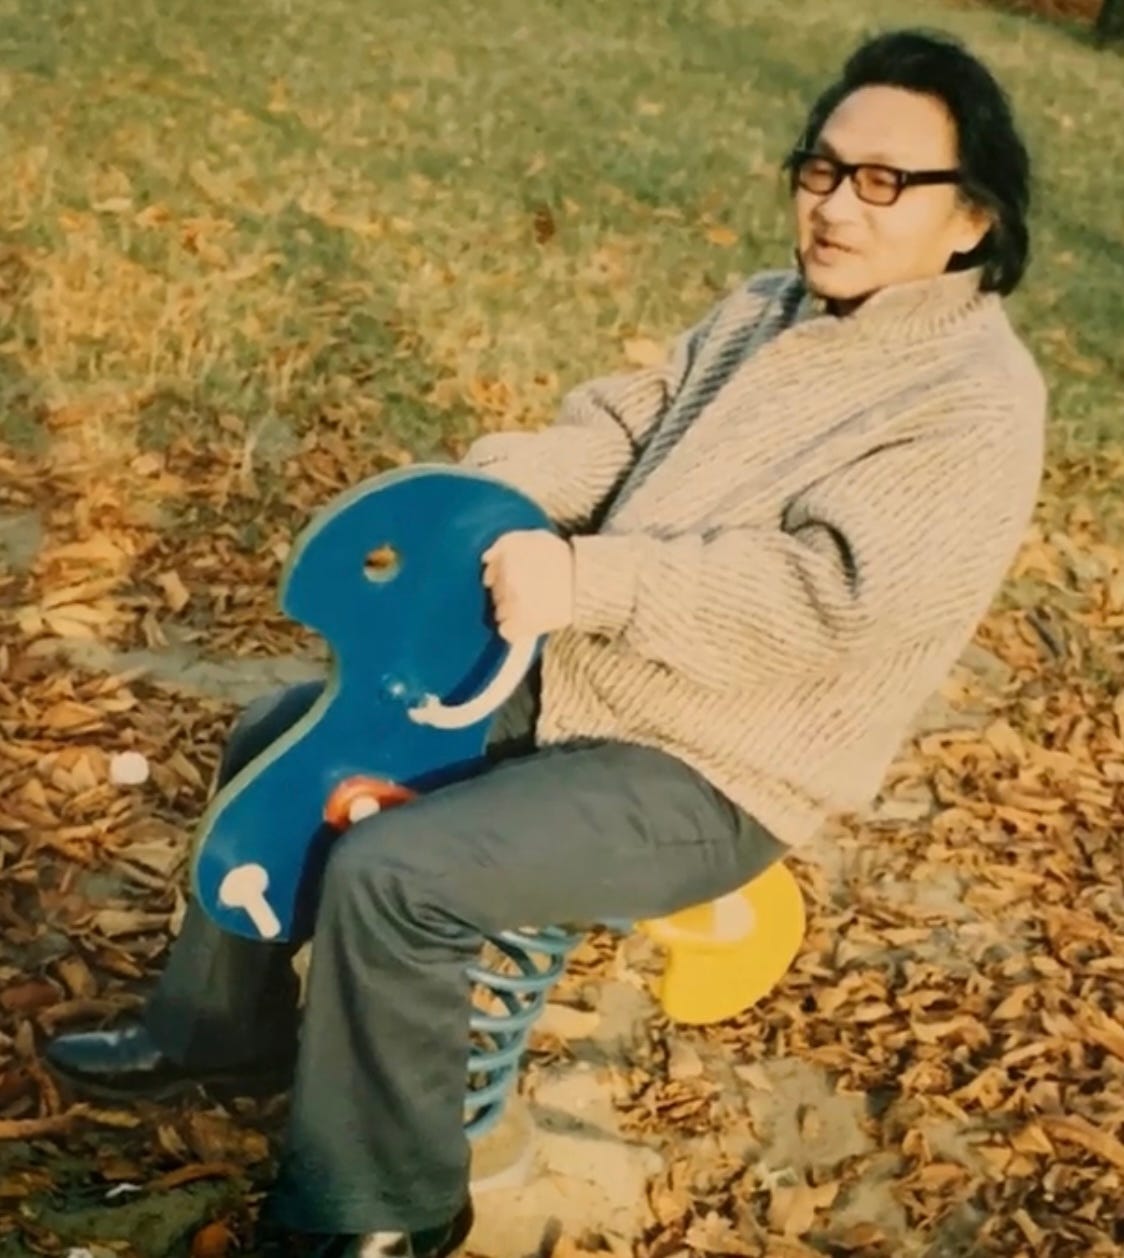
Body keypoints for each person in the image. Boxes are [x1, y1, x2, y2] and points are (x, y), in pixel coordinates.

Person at [45, 26, 1045, 1258]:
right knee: (282, 738)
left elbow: (828, 600)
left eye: (883, 180)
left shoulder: (968, 403)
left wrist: (590, 576)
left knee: (400, 872)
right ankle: (218, 1027)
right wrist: (485, 499)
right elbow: (621, 428)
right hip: (578, 677)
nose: (835, 204)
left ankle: (384, 1208)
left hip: (715, 765)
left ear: (970, 220)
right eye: (819, 167)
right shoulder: (767, 306)